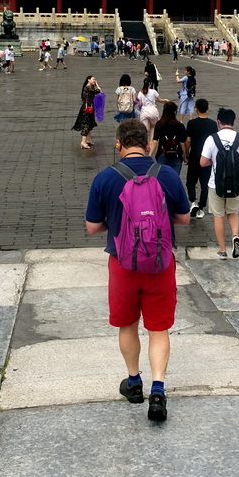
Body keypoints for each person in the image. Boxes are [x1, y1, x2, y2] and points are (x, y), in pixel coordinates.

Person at [85, 118, 191, 423]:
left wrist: (116, 224)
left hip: (123, 265)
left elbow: (92, 227)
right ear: (148, 145)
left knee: (128, 324)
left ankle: (134, 383)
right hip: (160, 264)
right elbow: (183, 220)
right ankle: (158, 390)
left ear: (119, 145)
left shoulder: (105, 178)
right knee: (158, 328)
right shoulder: (167, 175)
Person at [199, 108, 239, 260]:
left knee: (218, 216)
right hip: (236, 184)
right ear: (233, 122)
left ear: (219, 122)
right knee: (233, 212)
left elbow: (203, 162)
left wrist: (215, 160)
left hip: (215, 184)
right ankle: (235, 236)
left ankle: (222, 250)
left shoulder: (212, 139)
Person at [184, 98, 218, 219]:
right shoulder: (213, 124)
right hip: (207, 157)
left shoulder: (191, 123)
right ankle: (201, 206)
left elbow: (188, 141)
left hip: (194, 155)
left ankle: (192, 202)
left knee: (191, 181)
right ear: (207, 108)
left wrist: (186, 154)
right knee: (205, 183)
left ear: (196, 109)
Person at [151, 101, 187, 176]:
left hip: (162, 153)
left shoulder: (159, 124)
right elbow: (182, 143)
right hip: (176, 155)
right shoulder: (180, 126)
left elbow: (155, 141)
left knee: (162, 178)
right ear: (175, 112)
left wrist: (150, 155)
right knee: (175, 178)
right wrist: (185, 156)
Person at [73, 75, 102, 149]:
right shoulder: (88, 87)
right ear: (88, 80)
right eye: (93, 79)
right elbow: (99, 91)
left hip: (90, 107)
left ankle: (88, 140)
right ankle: (83, 142)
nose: (94, 81)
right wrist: (97, 85)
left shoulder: (90, 87)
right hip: (87, 108)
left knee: (90, 123)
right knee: (86, 124)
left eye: (95, 79)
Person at [137, 77, 161, 142]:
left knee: (145, 129)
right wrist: (165, 100)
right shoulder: (154, 91)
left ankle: (145, 143)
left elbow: (140, 104)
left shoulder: (140, 92)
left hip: (144, 111)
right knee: (152, 128)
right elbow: (159, 100)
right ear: (150, 84)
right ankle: (150, 143)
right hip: (153, 110)